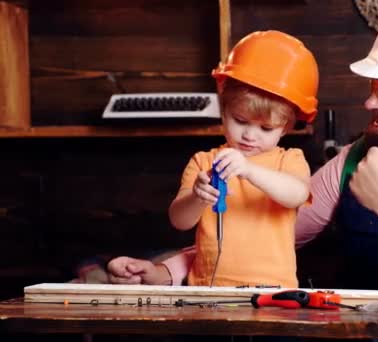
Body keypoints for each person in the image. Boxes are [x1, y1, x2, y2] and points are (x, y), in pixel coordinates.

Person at [108, 2, 378, 293]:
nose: (370, 102)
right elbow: (267, 233)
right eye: (373, 86)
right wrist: (170, 271)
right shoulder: (356, 158)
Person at [108, 30, 319, 288]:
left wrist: (249, 170)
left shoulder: (290, 160)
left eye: (266, 129)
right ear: (224, 110)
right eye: (240, 121)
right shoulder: (203, 162)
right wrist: (197, 196)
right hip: (207, 290)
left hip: (273, 292)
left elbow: (296, 193)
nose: (250, 135)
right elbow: (180, 220)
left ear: (286, 127)